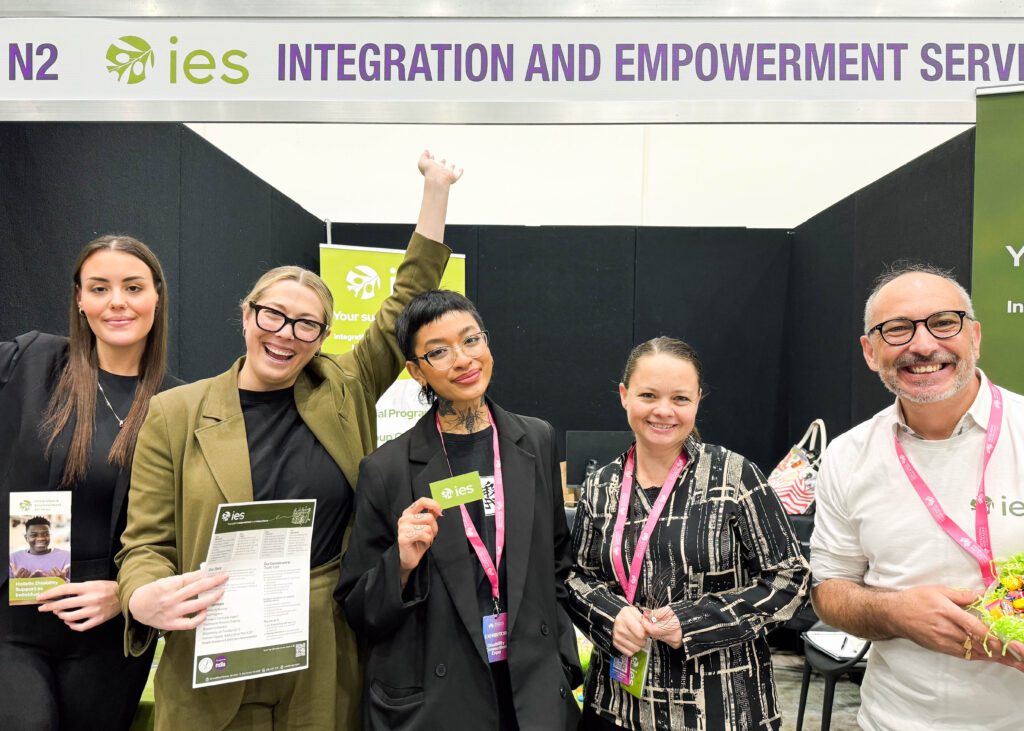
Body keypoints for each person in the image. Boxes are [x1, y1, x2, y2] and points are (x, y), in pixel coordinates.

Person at [116, 151, 459, 731]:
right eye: (273, 316)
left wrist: (436, 189)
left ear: (323, 337)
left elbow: (408, 297)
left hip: (321, 645)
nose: (286, 335)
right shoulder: (175, 413)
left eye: (306, 325)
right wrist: (142, 597)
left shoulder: (343, 387)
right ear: (247, 316)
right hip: (213, 640)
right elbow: (145, 543)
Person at [336, 289, 582, 731]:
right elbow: (358, 608)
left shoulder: (536, 440)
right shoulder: (387, 469)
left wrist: (562, 660)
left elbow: (557, 562)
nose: (463, 359)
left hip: (532, 693)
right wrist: (402, 564)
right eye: (439, 351)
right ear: (416, 371)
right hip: (440, 701)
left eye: (471, 340)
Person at [810, 264, 1024, 731]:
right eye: (897, 330)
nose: (923, 345)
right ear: (870, 351)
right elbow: (829, 590)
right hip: (894, 720)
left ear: (975, 336)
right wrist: (896, 612)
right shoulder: (847, 456)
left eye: (943, 323)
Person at [568, 337, 808, 731]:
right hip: (616, 706)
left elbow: (790, 579)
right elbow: (577, 577)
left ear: (698, 399)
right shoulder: (601, 485)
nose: (663, 411)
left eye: (680, 398)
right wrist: (612, 616)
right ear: (624, 396)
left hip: (722, 707)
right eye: (648, 395)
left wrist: (694, 622)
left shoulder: (735, 477)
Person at [0, 234, 180, 731]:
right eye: (99, 288)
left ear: (157, 296)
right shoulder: (32, 362)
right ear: (79, 300)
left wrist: (124, 592)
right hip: (16, 616)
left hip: (109, 632)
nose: (116, 301)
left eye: (132, 287)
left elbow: (188, 529)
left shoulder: (179, 404)